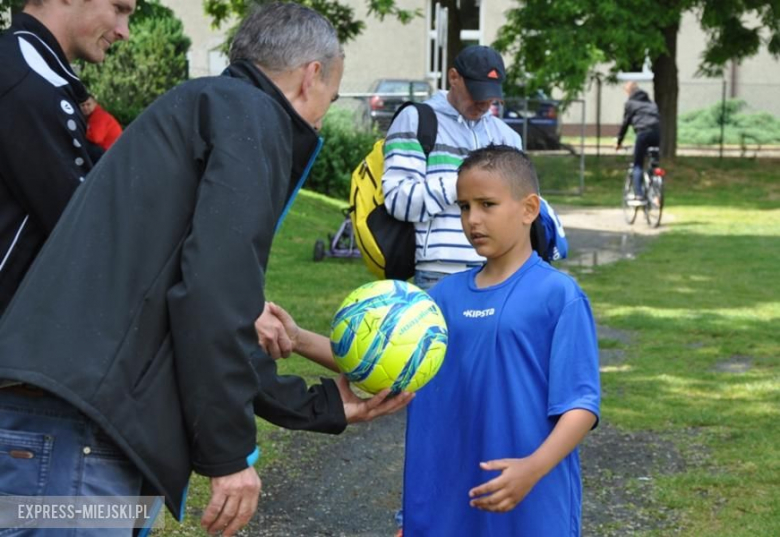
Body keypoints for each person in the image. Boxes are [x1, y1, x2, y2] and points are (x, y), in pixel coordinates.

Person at [0, 3, 411, 536]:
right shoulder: (252, 118)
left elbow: (205, 306)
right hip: (80, 439)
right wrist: (229, 456)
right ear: (312, 77)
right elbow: (211, 297)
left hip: (59, 430)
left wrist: (318, 405)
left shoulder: (206, 107)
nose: (319, 117)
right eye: (330, 102)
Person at [263, 145, 601, 536]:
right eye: (464, 207)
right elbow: (378, 362)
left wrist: (532, 468)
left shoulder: (558, 295)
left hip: (529, 500)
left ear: (528, 209)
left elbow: (580, 406)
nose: (472, 220)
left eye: (487, 204)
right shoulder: (440, 298)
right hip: (442, 503)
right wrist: (298, 338)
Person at [381, 45, 567, 290]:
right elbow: (398, 201)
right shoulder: (417, 120)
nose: (484, 103)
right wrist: (465, 185)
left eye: (491, 96)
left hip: (504, 271)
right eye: (477, 92)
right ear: (454, 78)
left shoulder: (507, 136)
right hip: (441, 272)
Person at [0, 0, 135, 316]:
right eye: (118, 8)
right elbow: (90, 234)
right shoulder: (27, 86)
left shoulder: (29, 73)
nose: (124, 32)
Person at [615, 81, 661, 200]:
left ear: (629, 92)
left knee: (638, 165)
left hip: (643, 133)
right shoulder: (651, 103)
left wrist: (619, 142)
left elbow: (625, 123)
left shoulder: (630, 104)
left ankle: (639, 194)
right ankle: (655, 189)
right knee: (654, 163)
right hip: (656, 133)